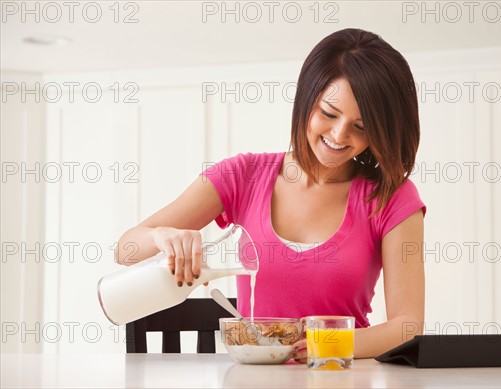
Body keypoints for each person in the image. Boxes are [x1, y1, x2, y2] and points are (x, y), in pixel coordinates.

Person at [114, 28, 425, 360]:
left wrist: (326, 345)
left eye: (360, 127)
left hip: (338, 375)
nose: (338, 135)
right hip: (255, 376)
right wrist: (164, 237)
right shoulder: (243, 176)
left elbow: (408, 325)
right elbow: (126, 249)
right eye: (328, 114)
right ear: (306, 98)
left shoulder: (390, 197)